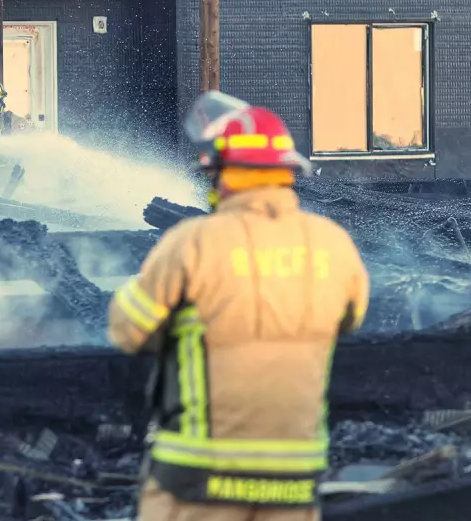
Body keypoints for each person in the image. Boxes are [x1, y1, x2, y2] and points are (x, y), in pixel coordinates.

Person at [107, 91, 370, 521]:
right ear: (286, 172)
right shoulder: (333, 245)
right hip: (294, 476)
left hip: (198, 477)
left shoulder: (191, 243)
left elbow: (126, 329)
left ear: (220, 175)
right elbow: (350, 319)